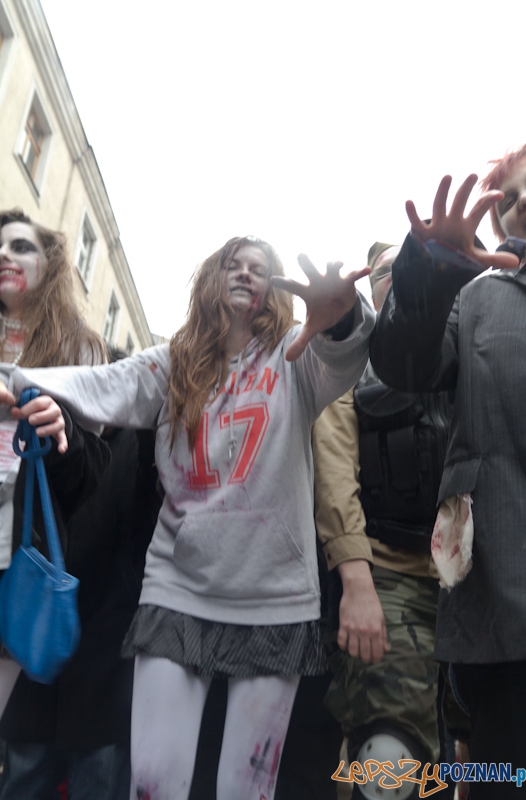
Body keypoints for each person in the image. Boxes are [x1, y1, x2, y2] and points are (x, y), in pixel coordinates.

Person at [0, 236, 375, 800]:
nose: (247, 274)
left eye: (260, 268)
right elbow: (106, 385)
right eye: (234, 263)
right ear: (211, 278)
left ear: (276, 290)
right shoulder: (172, 364)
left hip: (273, 599)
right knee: (154, 784)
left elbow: (345, 358)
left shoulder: (297, 358)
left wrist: (342, 320)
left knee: (245, 789)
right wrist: (17, 381)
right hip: (176, 594)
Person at [369, 146, 526, 798]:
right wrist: (431, 270)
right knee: (508, 777)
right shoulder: (475, 300)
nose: (523, 197)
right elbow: (403, 367)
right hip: (506, 601)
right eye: (510, 194)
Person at [312, 242, 455, 800]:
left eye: (413, 268)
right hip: (390, 579)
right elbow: (334, 474)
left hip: (477, 592)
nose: (402, 279)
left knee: (476, 763)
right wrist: (357, 583)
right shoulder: (349, 362)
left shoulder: (469, 345)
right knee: (389, 769)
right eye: (389, 272)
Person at [0, 348, 161, 800]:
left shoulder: (144, 440)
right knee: (25, 778)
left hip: (108, 656)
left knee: (97, 781)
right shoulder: (55, 431)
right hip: (43, 644)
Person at [0, 209, 109, 723]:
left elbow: (93, 476)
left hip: (16, 553)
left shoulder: (80, 348)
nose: (5, 255)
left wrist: (57, 426)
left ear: (52, 264)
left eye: (21, 247)